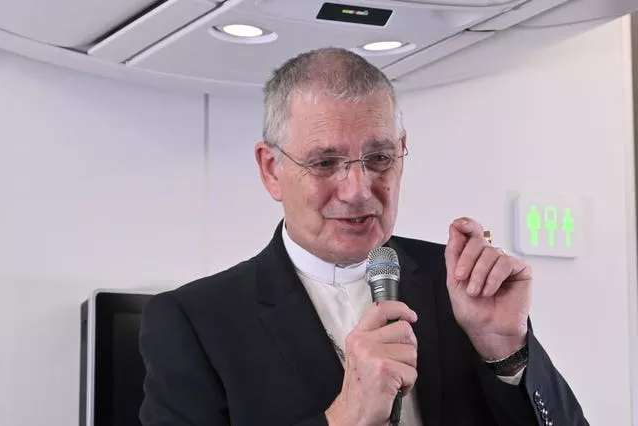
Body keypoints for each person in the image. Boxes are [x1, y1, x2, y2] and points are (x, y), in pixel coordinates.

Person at [138, 47, 588, 425]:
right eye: (324, 162)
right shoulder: (194, 322)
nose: (357, 191)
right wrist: (344, 418)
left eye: (379, 158)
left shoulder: (461, 285)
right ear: (271, 170)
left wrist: (506, 352)